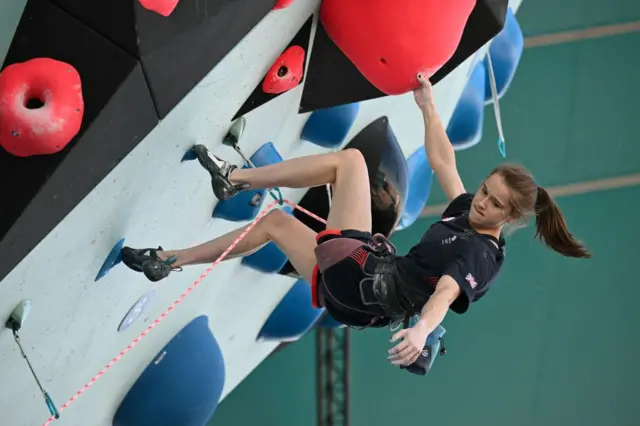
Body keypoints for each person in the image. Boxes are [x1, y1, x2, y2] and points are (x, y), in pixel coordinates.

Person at [120, 75, 591, 369]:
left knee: (350, 164)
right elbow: (445, 162)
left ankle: (233, 178)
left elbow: (446, 294)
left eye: (492, 204)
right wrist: (428, 106)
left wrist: (424, 331)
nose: (480, 202)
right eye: (484, 190)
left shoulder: (481, 256)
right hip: (354, 297)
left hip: (363, 276)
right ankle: (167, 260)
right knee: (277, 226)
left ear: (509, 219)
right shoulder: (468, 212)